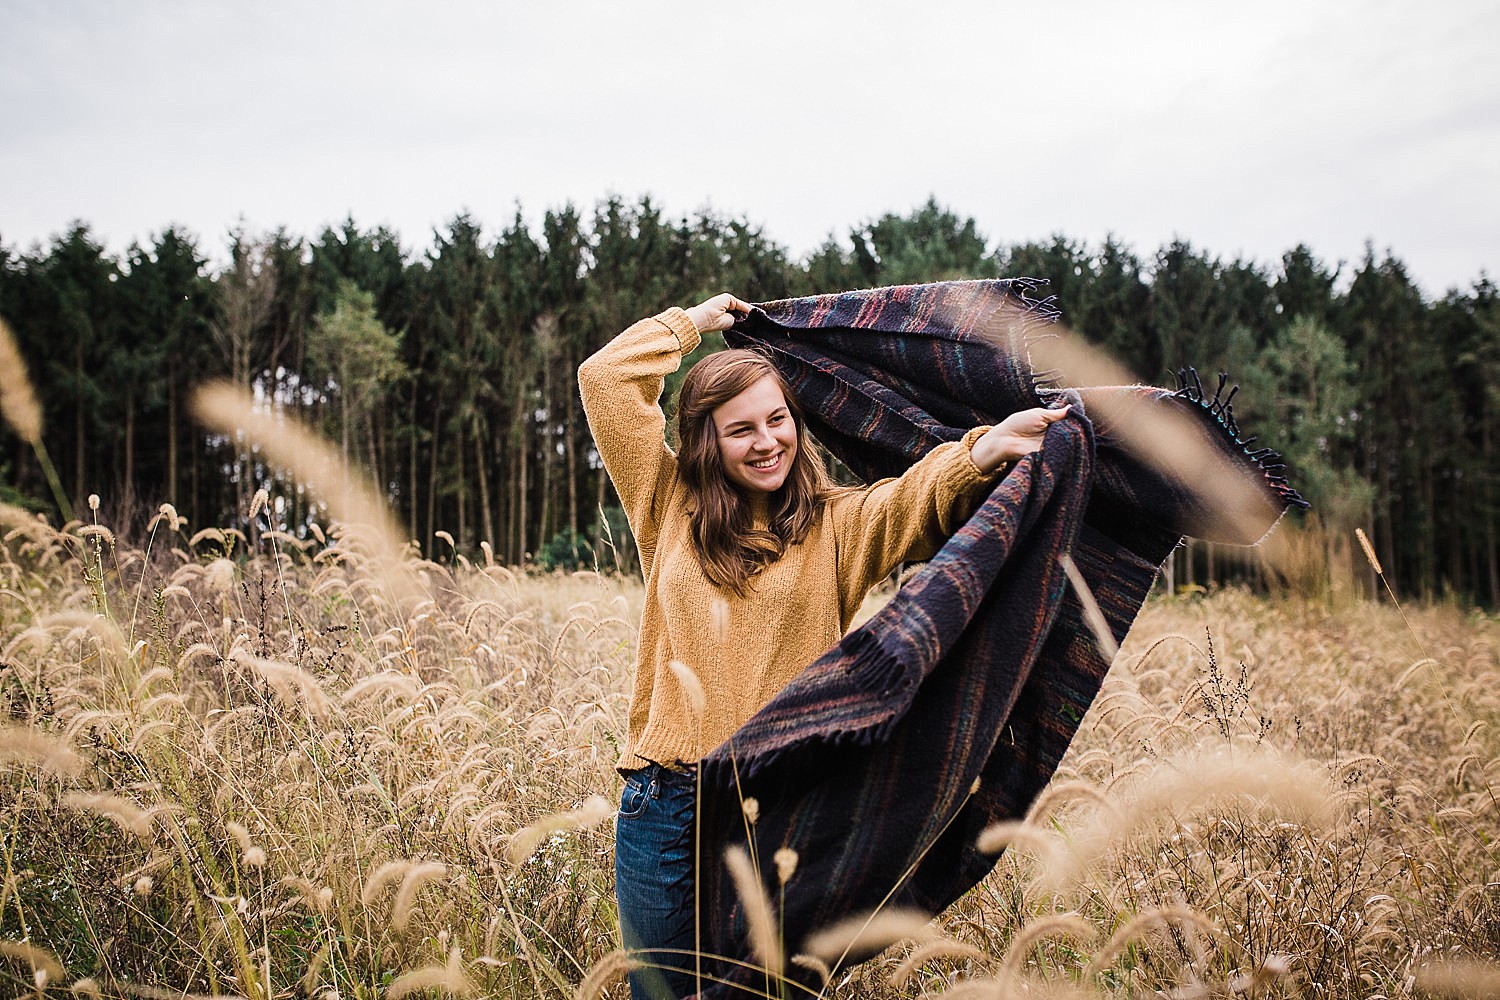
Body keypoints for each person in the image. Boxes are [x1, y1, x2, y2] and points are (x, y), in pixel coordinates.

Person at [577, 292, 1069, 999]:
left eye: (777, 419)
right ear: (705, 441)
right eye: (740, 428)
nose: (767, 440)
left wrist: (984, 448)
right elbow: (605, 378)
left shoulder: (836, 526)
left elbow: (916, 498)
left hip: (780, 809)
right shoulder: (665, 500)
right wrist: (694, 323)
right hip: (666, 804)